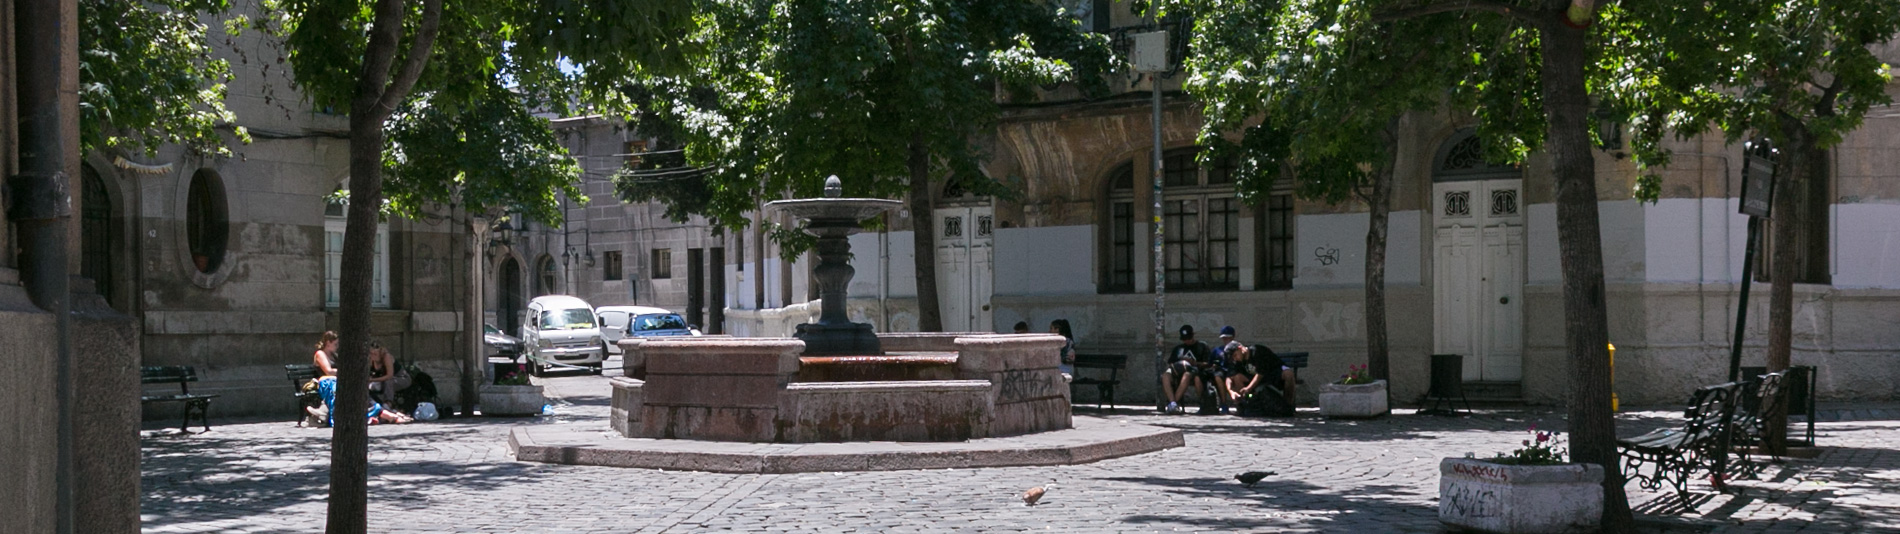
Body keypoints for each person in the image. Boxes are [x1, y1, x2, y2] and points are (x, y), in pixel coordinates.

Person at [1160, 325, 1213, 414]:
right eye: (1184, 339)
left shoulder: (1202, 346)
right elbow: (1171, 362)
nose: (1187, 341)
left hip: (1195, 372)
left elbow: (1208, 363)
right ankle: (1172, 403)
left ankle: (1174, 403)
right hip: (1178, 372)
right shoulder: (1179, 349)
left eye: (1188, 338)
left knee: (1187, 375)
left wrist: (1195, 363)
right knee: (1166, 375)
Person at [367, 340, 412, 407]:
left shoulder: (386, 357)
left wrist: (373, 380)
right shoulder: (371, 359)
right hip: (383, 379)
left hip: (401, 378)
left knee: (388, 381)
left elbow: (389, 375)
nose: (372, 355)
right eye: (371, 353)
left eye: (375, 354)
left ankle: (388, 403)